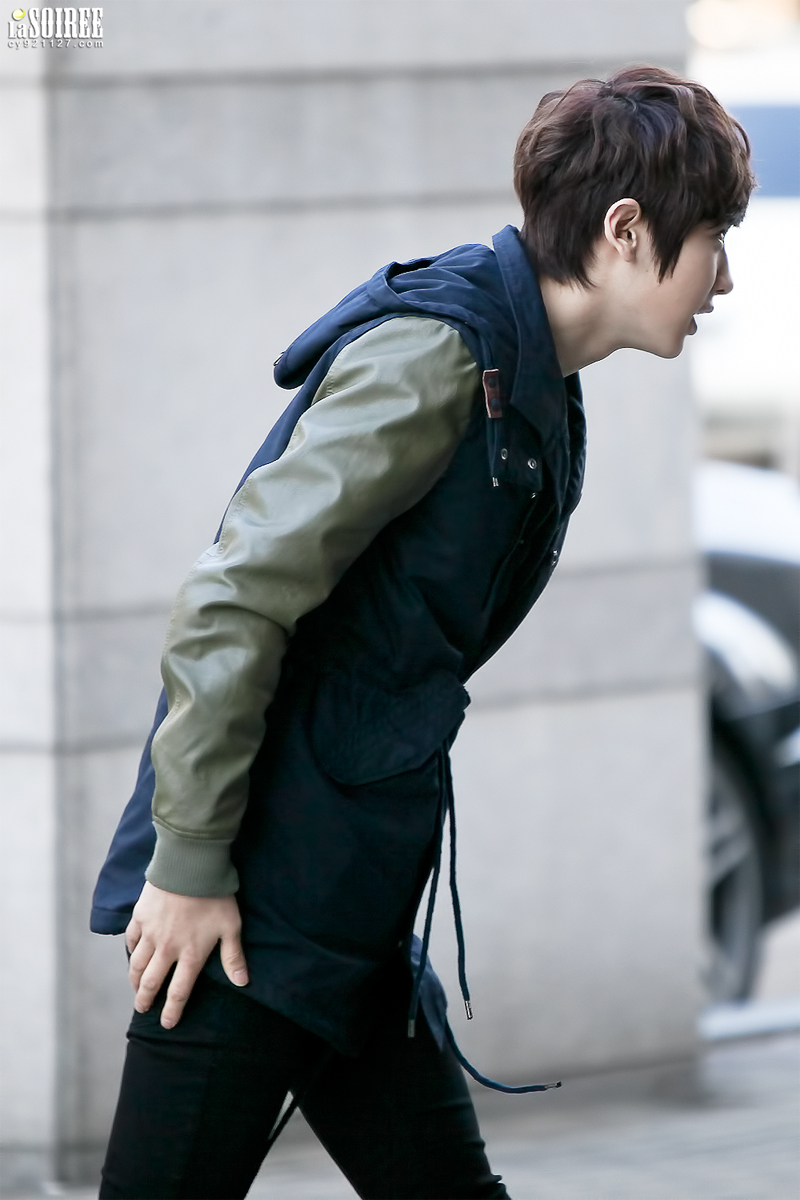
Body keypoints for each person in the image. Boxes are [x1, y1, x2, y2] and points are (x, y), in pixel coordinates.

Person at [92, 65, 753, 1199]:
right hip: (250, 918)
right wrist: (190, 866)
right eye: (712, 242)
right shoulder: (440, 356)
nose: (724, 278)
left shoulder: (527, 374)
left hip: (351, 908)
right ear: (625, 230)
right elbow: (234, 596)